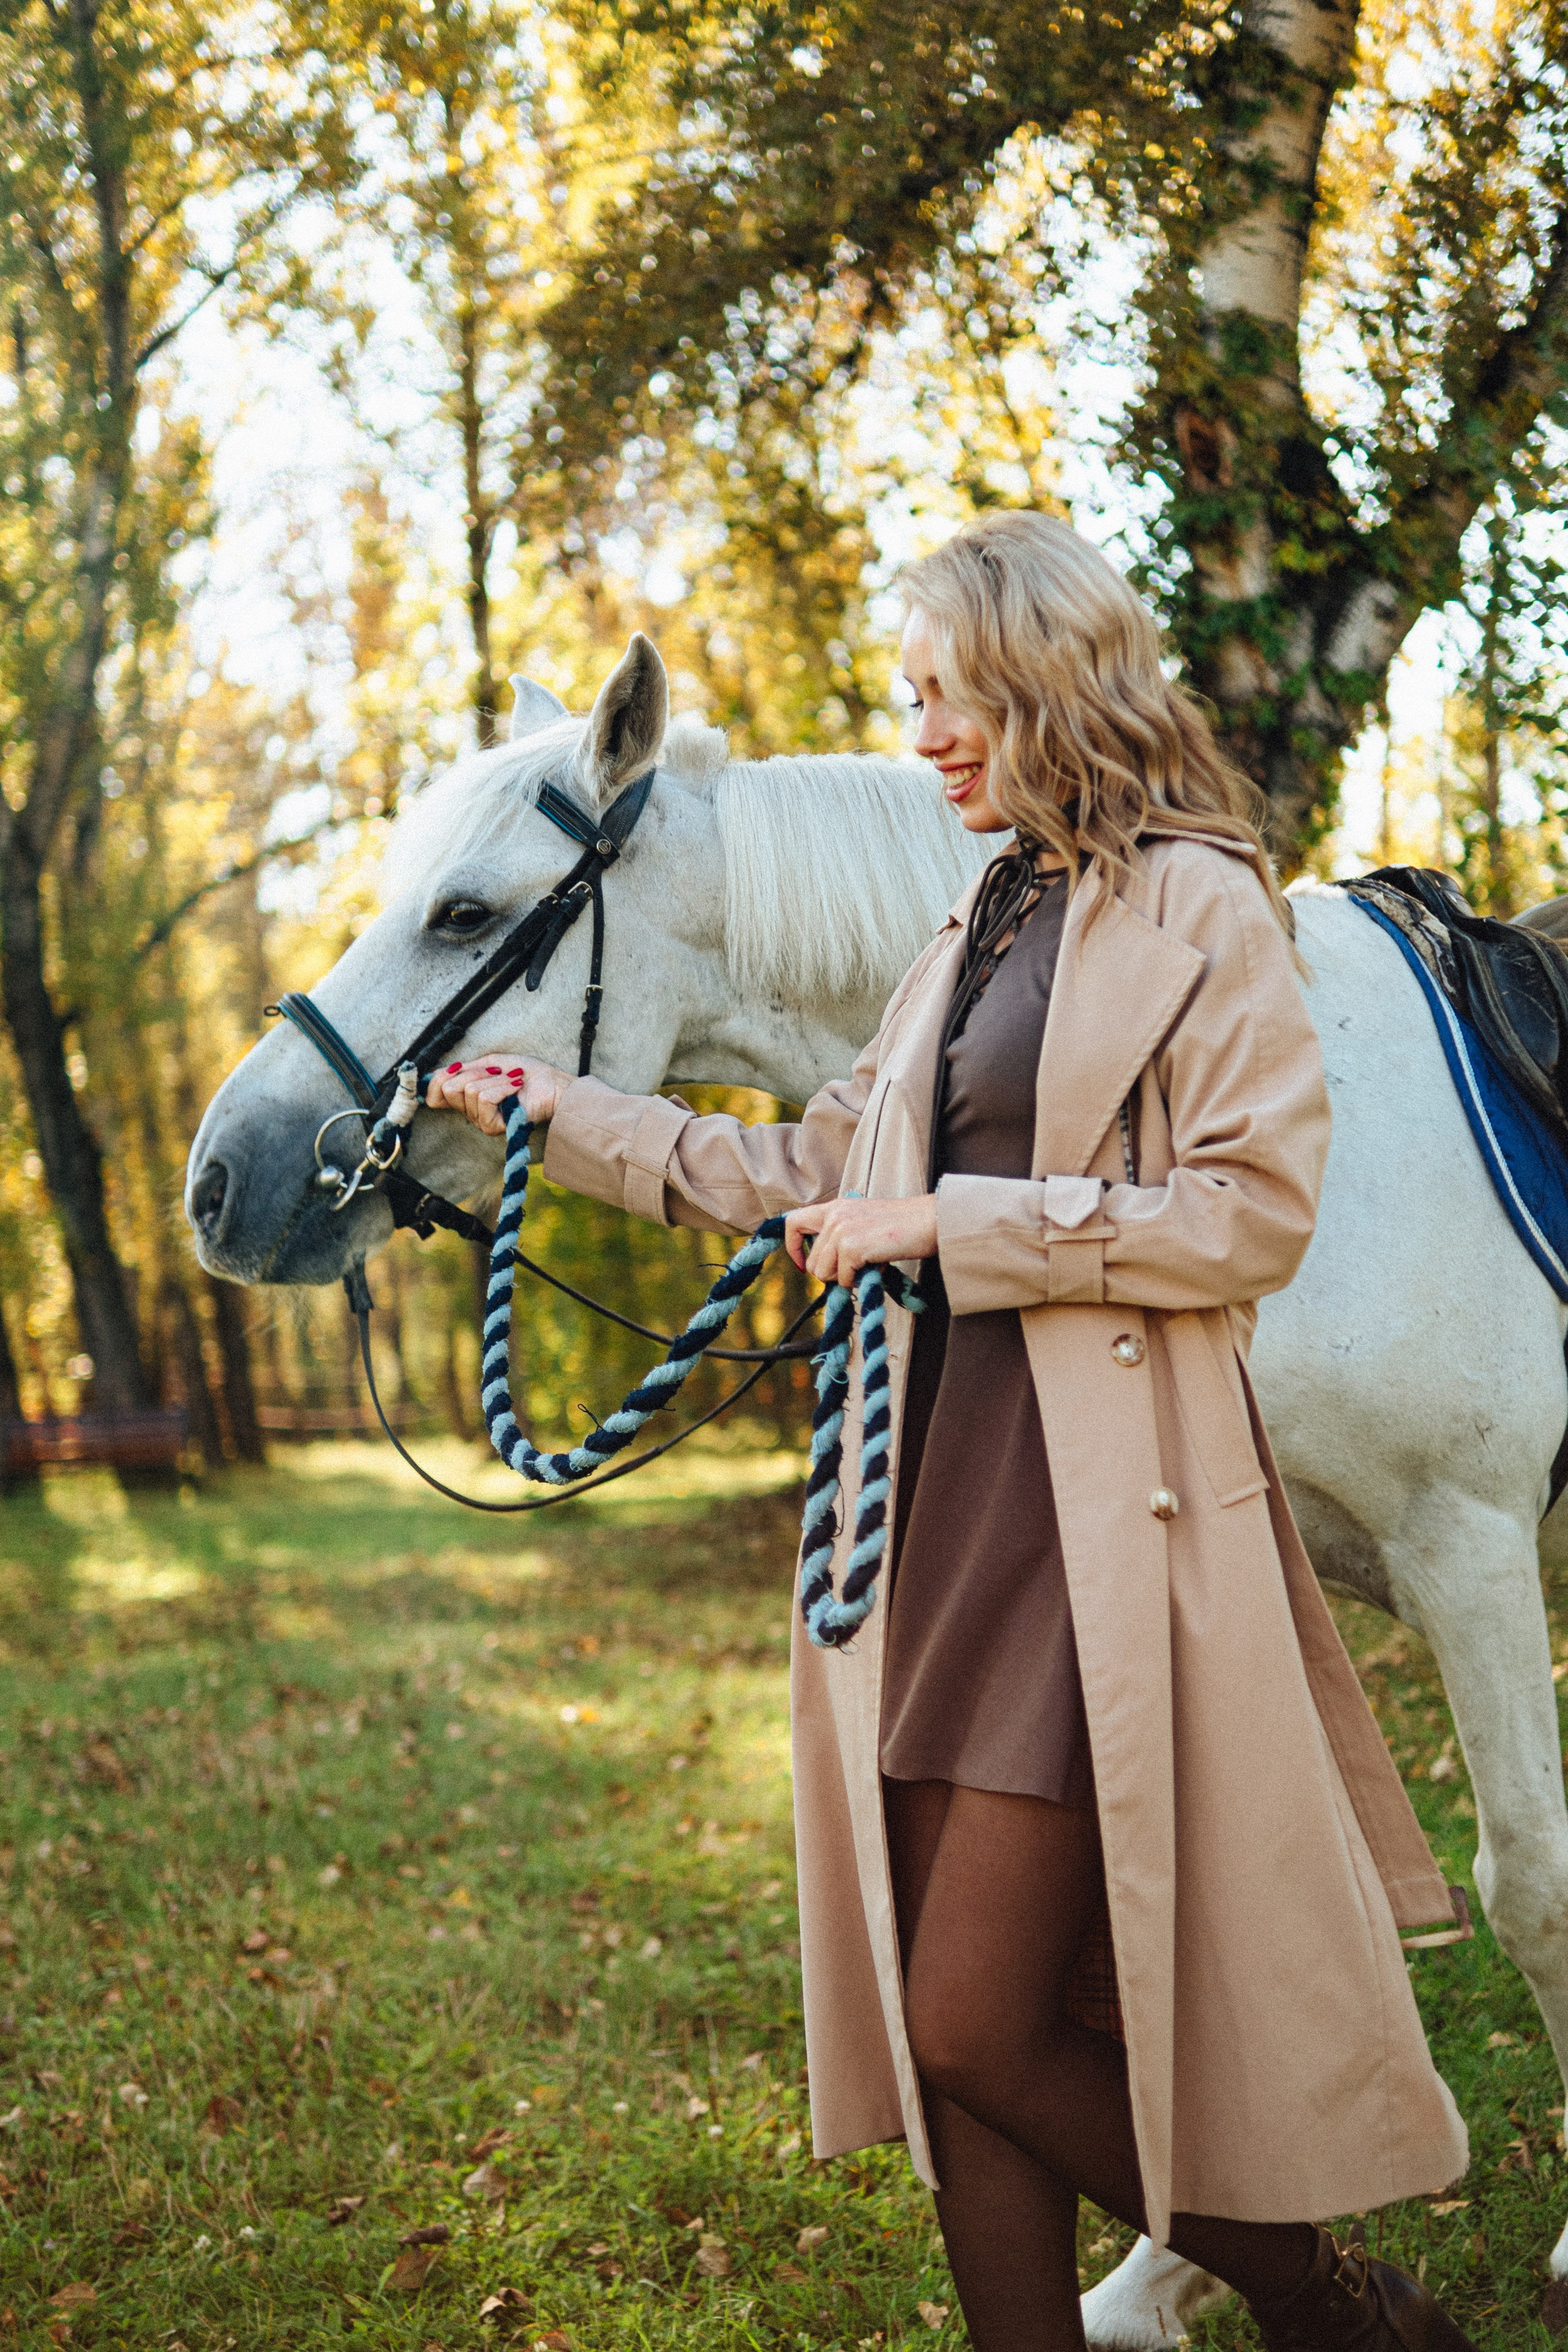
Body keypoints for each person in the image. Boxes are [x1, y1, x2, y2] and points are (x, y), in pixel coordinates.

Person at [428, 512, 1475, 2352]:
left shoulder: (1200, 901)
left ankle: (1329, 2303)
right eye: (910, 697)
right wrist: (555, 1112)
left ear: (1047, 681)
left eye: (945, 694)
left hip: (1094, 1513)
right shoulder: (971, 929)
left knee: (977, 2019)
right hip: (922, 1507)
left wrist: (956, 1228)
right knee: (959, 2025)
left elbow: (1252, 1217)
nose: (919, 735)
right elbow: (800, 1168)